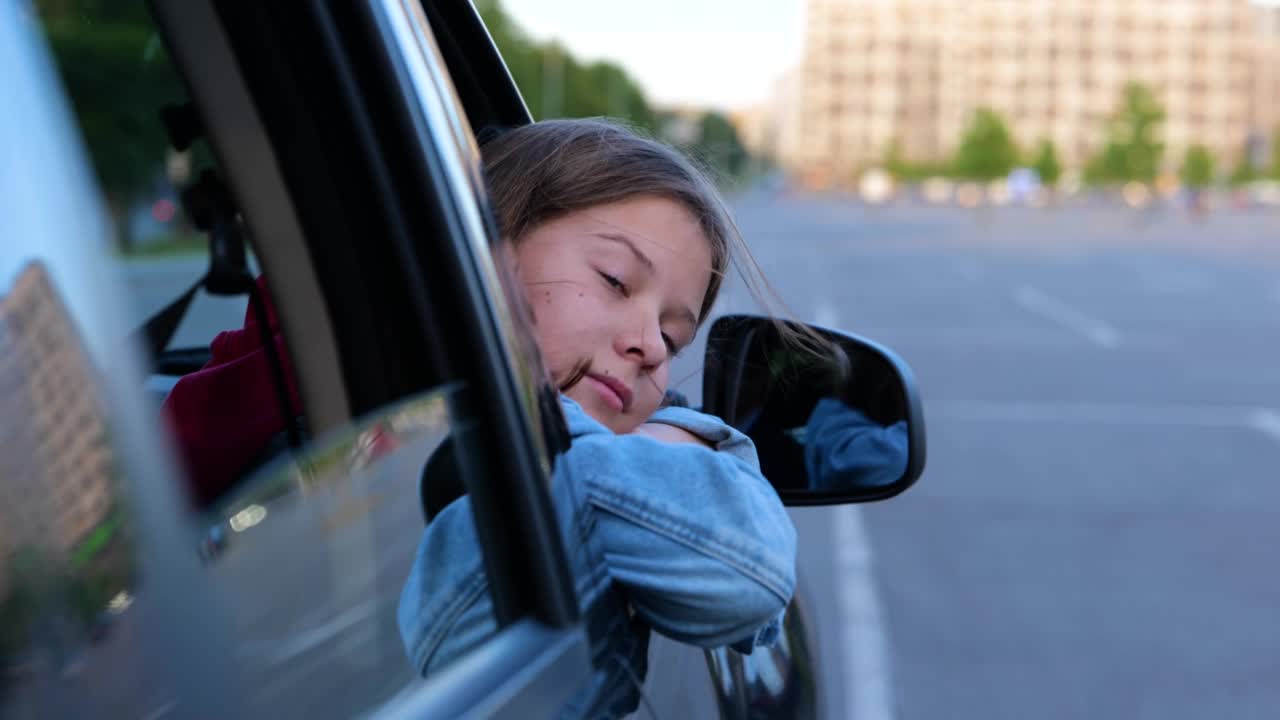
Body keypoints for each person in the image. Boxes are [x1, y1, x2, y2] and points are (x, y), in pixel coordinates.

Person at [397, 119, 798, 718]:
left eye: (672, 335)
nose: (653, 348)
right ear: (485, 256)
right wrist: (671, 445)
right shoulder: (421, 440)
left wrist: (661, 433)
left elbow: (750, 574)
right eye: (615, 280)